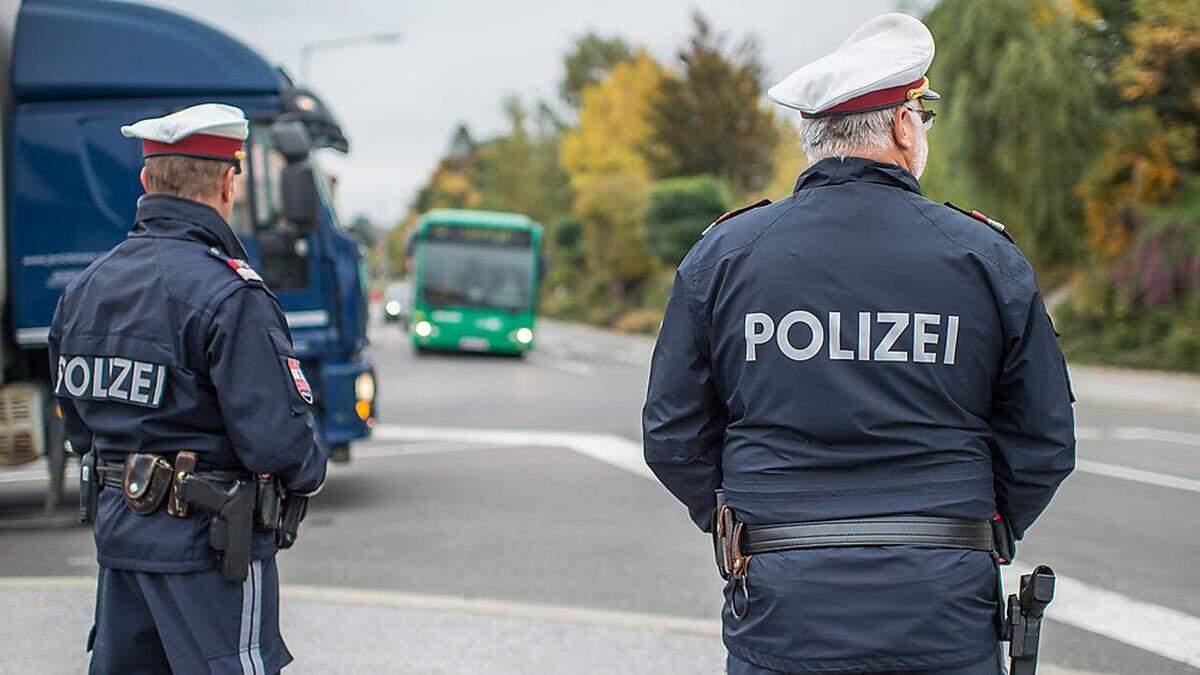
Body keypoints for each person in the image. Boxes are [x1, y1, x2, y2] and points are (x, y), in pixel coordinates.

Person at [642, 13, 1075, 675]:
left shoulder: (724, 256)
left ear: (817, 138)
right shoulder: (983, 256)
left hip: (783, 605)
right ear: (904, 126)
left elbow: (674, 432)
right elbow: (1044, 438)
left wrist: (740, 526)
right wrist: (980, 529)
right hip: (943, 605)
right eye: (922, 115)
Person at [49, 103, 327, 674]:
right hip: (210, 553)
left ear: (147, 181)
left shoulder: (84, 290)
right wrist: (310, 470)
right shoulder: (231, 295)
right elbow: (278, 444)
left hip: (122, 542)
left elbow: (80, 427)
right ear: (229, 182)